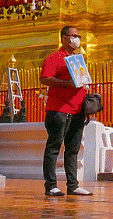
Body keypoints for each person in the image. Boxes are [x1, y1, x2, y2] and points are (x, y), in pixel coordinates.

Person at [39, 25, 92, 197]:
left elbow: (83, 83)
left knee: (73, 149)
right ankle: (51, 185)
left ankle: (73, 184)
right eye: (73, 36)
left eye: (79, 36)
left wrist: (86, 108)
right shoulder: (55, 57)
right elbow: (45, 78)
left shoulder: (78, 59)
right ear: (64, 38)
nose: (77, 39)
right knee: (54, 147)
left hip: (77, 110)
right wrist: (66, 84)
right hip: (59, 109)